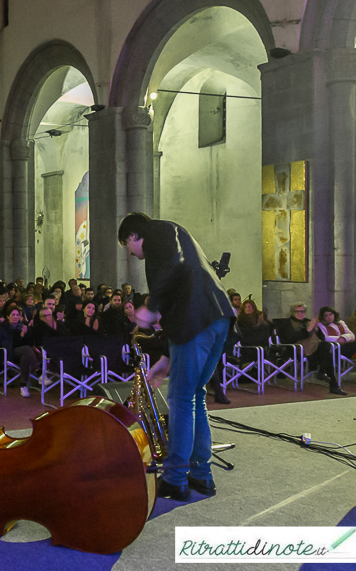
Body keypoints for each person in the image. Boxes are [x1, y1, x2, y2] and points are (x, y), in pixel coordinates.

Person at [118, 212, 232, 501]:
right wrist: (167, 358)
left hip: (195, 321)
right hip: (216, 319)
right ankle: (201, 476)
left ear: (132, 236)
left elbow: (171, 272)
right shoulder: (175, 233)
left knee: (182, 398)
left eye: (127, 247)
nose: (131, 254)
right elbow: (181, 281)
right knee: (195, 395)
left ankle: (176, 479)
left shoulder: (156, 233)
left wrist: (150, 307)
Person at [274, 303, 345, 396]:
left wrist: (316, 330)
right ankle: (328, 379)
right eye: (297, 311)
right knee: (326, 354)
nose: (300, 313)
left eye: (302, 311)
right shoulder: (287, 324)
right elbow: (289, 338)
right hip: (297, 351)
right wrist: (308, 330)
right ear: (292, 312)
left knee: (325, 346)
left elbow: (321, 338)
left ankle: (329, 380)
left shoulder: (308, 322)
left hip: (314, 349)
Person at [0, 305, 38, 398]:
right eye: (13, 314)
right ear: (8, 316)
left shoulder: (22, 326)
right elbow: (8, 345)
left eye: (17, 315)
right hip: (8, 353)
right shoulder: (3, 327)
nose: (15, 316)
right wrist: (21, 336)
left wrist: (27, 334)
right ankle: (38, 372)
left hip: (21, 353)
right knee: (25, 349)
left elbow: (30, 343)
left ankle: (23, 386)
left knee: (24, 357)